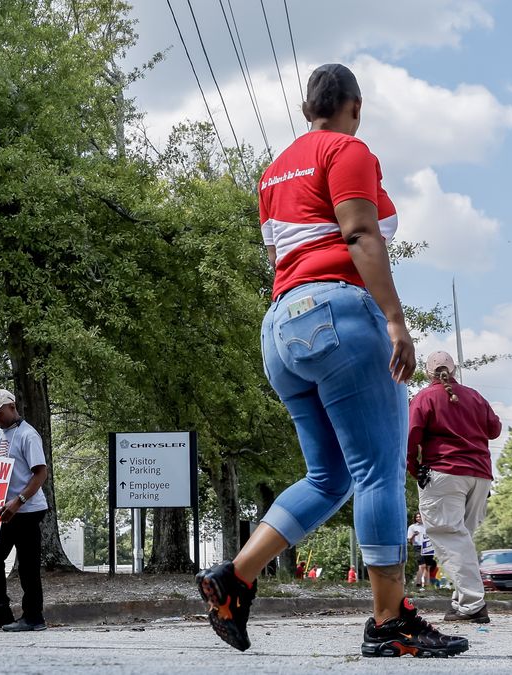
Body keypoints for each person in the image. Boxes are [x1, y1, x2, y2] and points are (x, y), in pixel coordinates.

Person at [195, 63, 468, 658]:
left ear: (304, 109)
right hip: (339, 317)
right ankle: (389, 621)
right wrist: (396, 320)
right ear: (356, 105)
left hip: (282, 329)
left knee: (330, 477)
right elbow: (360, 234)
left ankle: (234, 578)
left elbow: (277, 253)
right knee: (375, 471)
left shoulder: (273, 173)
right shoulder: (347, 150)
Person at [409, 351, 501, 624]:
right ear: (454, 369)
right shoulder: (475, 396)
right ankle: (461, 604)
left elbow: (411, 435)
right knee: (462, 539)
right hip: (480, 476)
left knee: (450, 538)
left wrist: (415, 469)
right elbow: (494, 429)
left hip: (445, 473)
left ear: (428, 372)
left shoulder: (424, 397)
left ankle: (473, 604)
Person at [0, 388, 49, 633]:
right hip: (4, 510)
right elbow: (0, 471)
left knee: (28, 565)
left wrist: (19, 500)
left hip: (27, 510)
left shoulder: (28, 435)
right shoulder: (0, 435)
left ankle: (34, 617)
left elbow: (41, 473)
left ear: (12, 407)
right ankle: (1, 611)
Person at [407, 514, 435, 590]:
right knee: (422, 565)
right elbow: (409, 540)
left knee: (428, 567)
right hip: (418, 547)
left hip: (428, 546)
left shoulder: (427, 526)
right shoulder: (412, 527)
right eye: (417, 517)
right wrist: (414, 535)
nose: (418, 518)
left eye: (420, 516)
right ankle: (417, 583)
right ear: (415, 518)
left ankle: (427, 585)